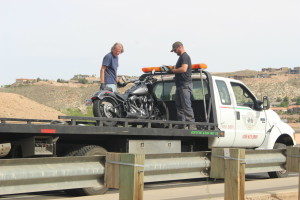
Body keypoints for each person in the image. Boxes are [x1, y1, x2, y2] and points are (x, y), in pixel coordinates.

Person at [165, 41, 196, 129]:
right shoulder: (181, 57)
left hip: (185, 85)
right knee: (179, 106)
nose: (175, 52)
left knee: (186, 105)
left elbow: (184, 69)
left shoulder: (185, 56)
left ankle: (191, 124)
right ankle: (181, 124)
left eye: (175, 50)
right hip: (180, 85)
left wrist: (173, 71)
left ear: (179, 47)